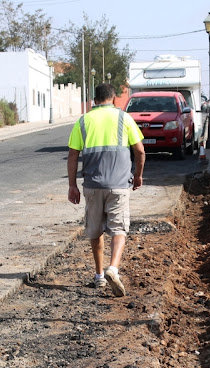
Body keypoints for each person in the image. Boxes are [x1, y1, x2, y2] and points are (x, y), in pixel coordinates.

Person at [67, 83, 145, 297]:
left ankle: (100, 276)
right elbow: (140, 151)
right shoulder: (124, 118)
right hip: (119, 185)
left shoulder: (83, 121)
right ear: (113, 99)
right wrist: (137, 175)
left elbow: (73, 155)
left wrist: (72, 185)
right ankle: (113, 268)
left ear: (94, 100)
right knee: (119, 228)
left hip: (92, 185)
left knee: (95, 230)